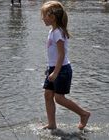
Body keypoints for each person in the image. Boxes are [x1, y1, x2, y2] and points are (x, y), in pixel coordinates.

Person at [41, 1, 90, 130]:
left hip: (61, 70)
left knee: (59, 98)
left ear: (52, 17)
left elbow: (61, 55)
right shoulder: (53, 30)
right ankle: (52, 124)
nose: (42, 18)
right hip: (53, 68)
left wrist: (56, 72)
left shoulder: (58, 33)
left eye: (44, 15)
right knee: (47, 95)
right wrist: (50, 69)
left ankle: (83, 114)